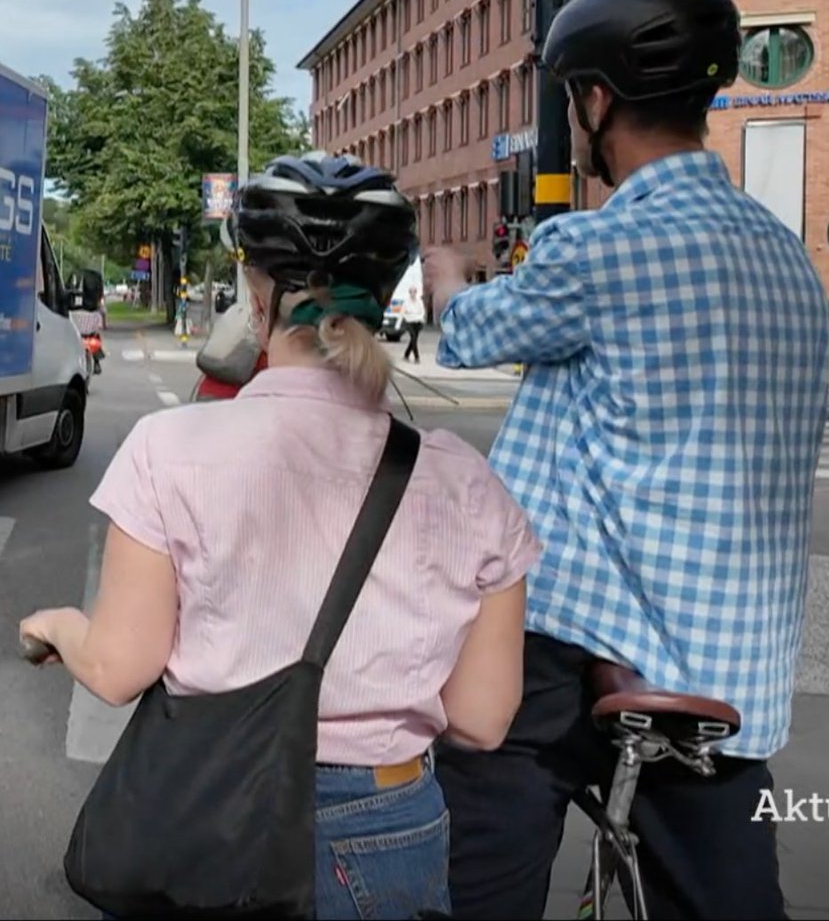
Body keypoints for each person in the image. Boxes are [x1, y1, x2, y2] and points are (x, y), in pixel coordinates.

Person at [21, 151, 541, 921]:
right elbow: (482, 718)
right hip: (390, 827)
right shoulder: (466, 481)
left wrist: (57, 626)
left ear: (256, 302)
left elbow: (122, 667)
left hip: (217, 816)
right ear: (382, 298)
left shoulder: (170, 449)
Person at [423, 0, 829, 921]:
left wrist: (447, 277)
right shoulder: (788, 259)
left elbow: (476, 334)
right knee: (726, 890)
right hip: (726, 673)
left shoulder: (600, 248)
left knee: (477, 832)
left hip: (575, 656)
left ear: (595, 99)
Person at [402, 285, 426, 364]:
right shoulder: (406, 302)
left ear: (416, 293)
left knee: (414, 340)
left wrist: (419, 317)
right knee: (413, 338)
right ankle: (417, 357)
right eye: (411, 292)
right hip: (409, 322)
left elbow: (422, 312)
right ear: (409, 293)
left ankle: (406, 354)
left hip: (417, 322)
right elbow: (403, 312)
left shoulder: (419, 301)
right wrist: (408, 317)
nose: (413, 293)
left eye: (414, 292)